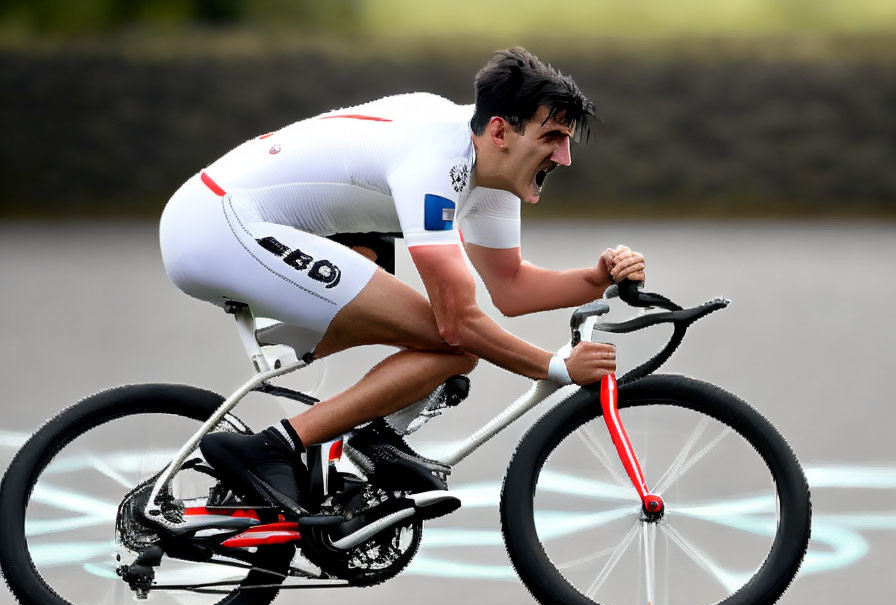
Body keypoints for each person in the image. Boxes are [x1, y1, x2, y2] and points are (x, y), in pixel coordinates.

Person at [159, 47, 646, 526]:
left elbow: (512, 289)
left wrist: (595, 278)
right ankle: (272, 449)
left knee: (445, 345)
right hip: (216, 225)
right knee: (452, 343)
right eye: (553, 137)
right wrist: (556, 367)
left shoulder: (493, 176)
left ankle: (368, 444)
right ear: (500, 130)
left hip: (251, 225)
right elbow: (458, 323)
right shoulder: (437, 158)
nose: (564, 157)